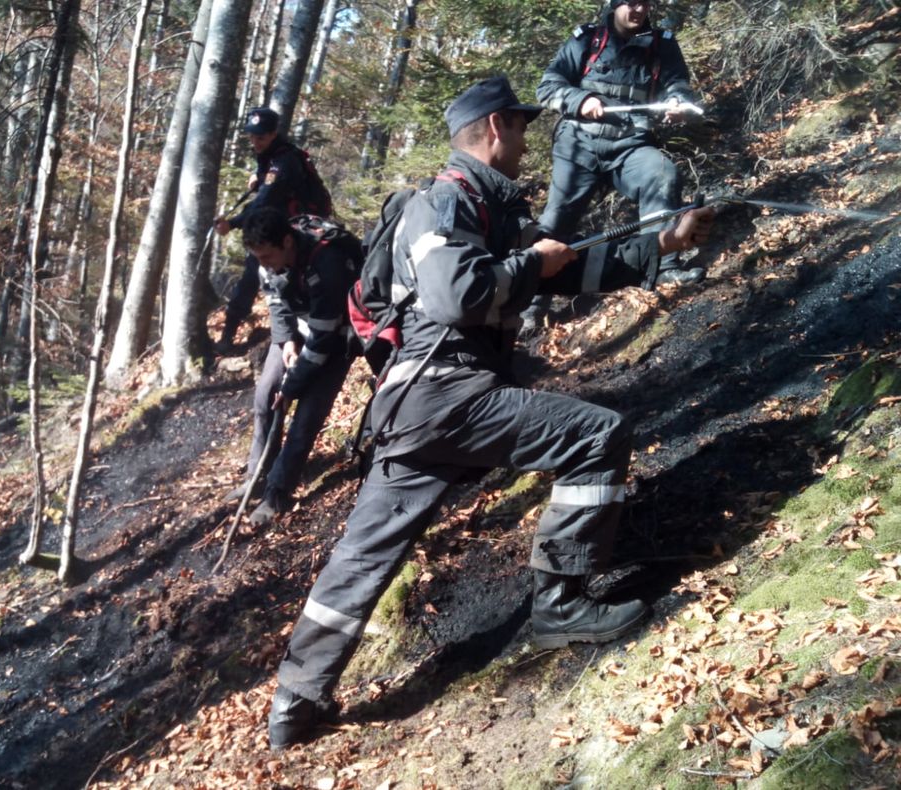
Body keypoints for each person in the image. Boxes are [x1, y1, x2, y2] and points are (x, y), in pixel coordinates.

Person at [265, 75, 715, 749]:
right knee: (599, 436)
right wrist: (531, 263)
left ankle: (294, 703)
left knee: (361, 558)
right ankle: (560, 603)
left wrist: (662, 246)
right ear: (497, 128)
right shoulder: (443, 202)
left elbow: (566, 270)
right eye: (524, 129)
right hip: (445, 391)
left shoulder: (491, 207)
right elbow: (456, 297)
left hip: (417, 408)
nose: (530, 142)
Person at [523, 0, 704, 331]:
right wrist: (581, 100)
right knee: (556, 218)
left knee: (662, 175)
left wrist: (677, 101)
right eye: (630, 3)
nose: (637, 10)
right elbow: (547, 86)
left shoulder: (662, 43)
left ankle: (663, 268)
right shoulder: (586, 40)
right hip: (578, 144)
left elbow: (678, 83)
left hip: (631, 143)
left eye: (644, 3)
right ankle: (531, 300)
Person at [224, 208, 358, 526]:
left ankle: (276, 494)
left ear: (287, 242)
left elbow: (324, 340)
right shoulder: (266, 261)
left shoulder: (329, 264)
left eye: (268, 256)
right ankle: (255, 476)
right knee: (265, 397)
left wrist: (292, 386)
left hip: (336, 338)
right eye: (258, 257)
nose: (264, 264)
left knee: (305, 419)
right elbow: (274, 301)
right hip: (298, 329)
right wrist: (286, 341)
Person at [212, 108, 333, 352]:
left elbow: (263, 202)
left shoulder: (284, 161)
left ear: (273, 134)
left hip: (292, 232)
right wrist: (258, 178)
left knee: (257, 274)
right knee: (256, 275)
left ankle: (236, 338)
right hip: (280, 224)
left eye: (261, 138)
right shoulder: (273, 155)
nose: (255, 142)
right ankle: (230, 336)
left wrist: (232, 224)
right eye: (252, 137)